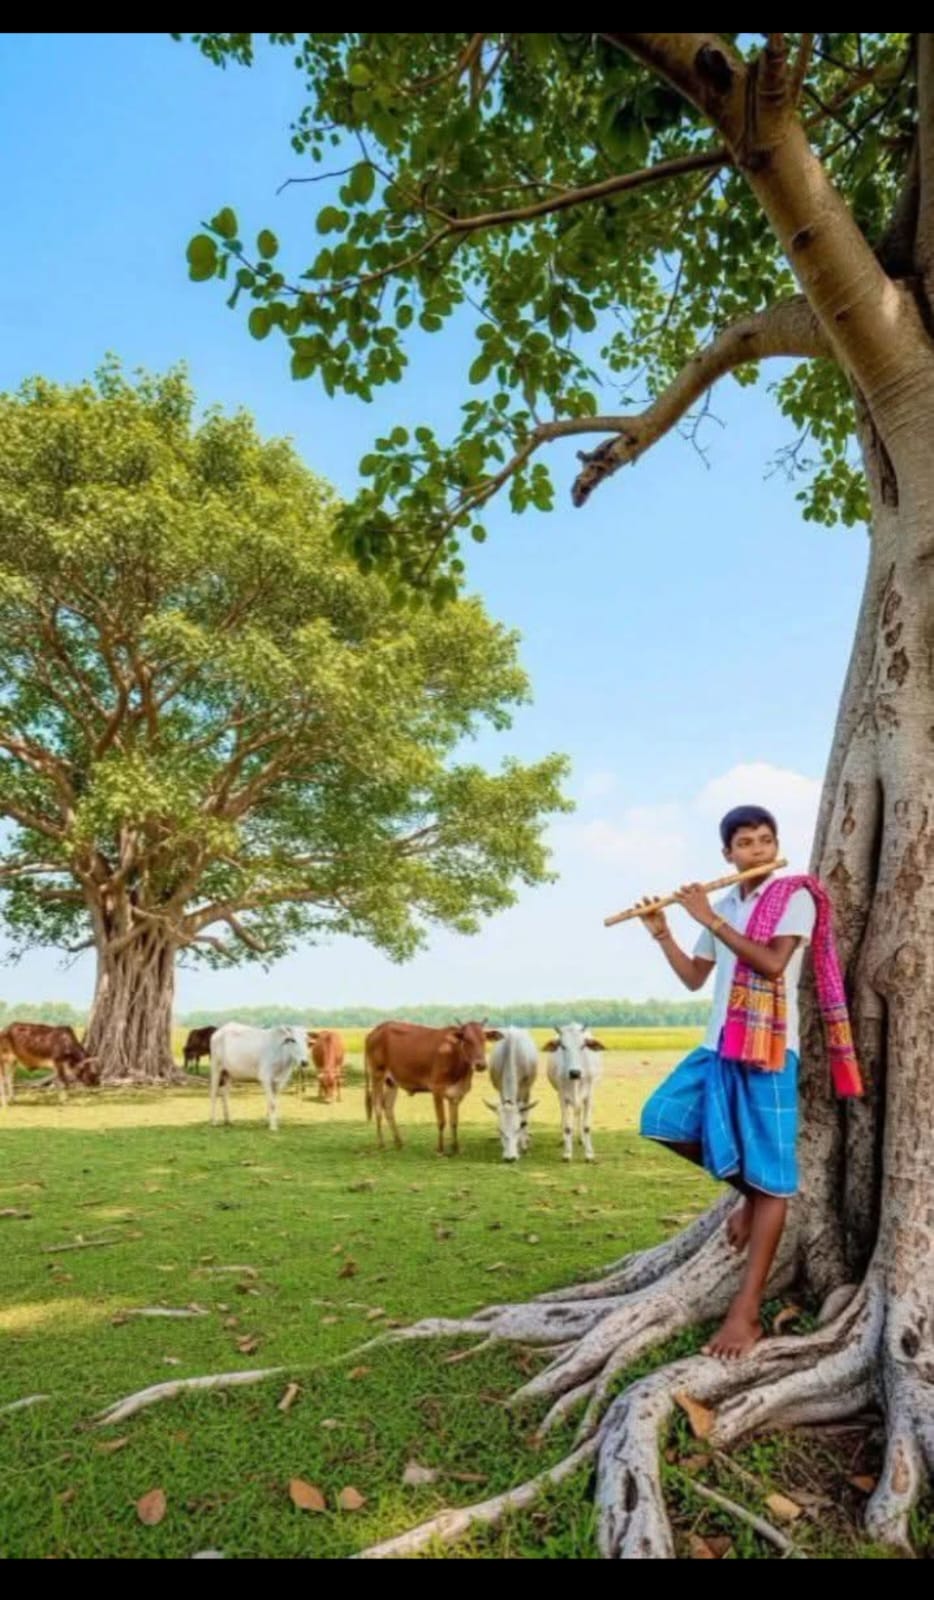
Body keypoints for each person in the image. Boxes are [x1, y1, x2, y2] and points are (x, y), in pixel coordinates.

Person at [637, 804, 862, 1359]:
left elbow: (769, 963)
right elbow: (695, 980)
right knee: (660, 1119)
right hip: (716, 1047)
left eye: (765, 841)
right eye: (746, 844)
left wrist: (710, 920)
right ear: (727, 854)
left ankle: (746, 1313)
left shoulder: (795, 898)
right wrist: (665, 932)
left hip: (766, 1051)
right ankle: (751, 1195)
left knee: (774, 1180)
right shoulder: (728, 901)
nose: (757, 851)